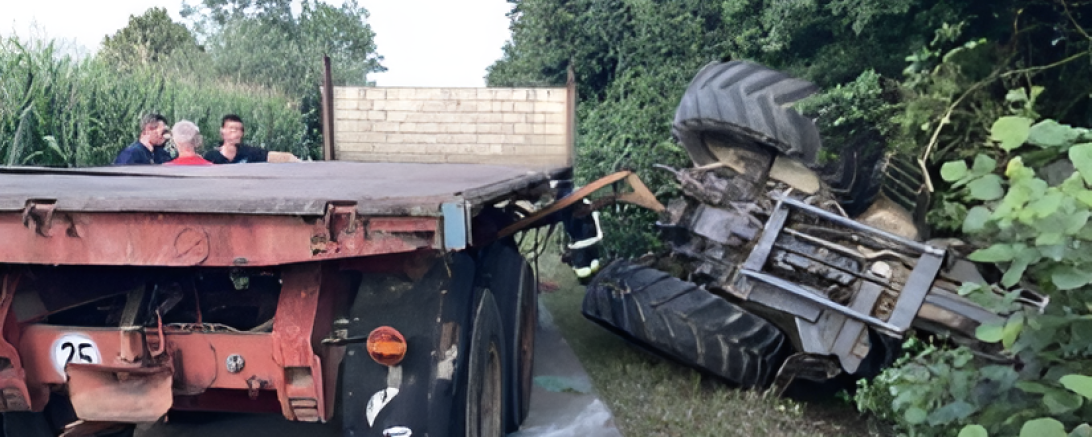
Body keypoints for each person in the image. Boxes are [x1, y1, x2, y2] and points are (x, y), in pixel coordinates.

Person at [203, 114, 299, 164]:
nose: (236, 133)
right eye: (232, 129)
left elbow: (271, 156)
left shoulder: (249, 153)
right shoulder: (211, 156)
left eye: (239, 130)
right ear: (222, 131)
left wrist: (293, 160)